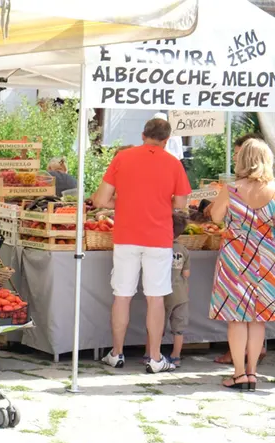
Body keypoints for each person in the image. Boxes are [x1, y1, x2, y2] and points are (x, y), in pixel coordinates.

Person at [94, 117, 191, 373]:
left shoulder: (123, 158)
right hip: (158, 238)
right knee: (155, 298)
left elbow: (101, 199)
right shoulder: (173, 164)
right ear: (166, 140)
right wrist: (159, 203)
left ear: (142, 135)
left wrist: (124, 202)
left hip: (126, 236)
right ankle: (156, 358)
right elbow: (182, 205)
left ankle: (116, 353)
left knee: (122, 296)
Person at [208, 138, 275, 391]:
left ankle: (238, 375)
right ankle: (253, 373)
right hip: (267, 258)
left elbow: (215, 216)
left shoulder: (232, 188)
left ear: (244, 160)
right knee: (258, 320)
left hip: (235, 257)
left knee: (237, 318)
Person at [161, 211, 190, 368]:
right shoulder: (183, 250)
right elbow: (186, 273)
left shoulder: (160, 248)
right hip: (181, 295)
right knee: (178, 329)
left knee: (157, 326)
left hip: (163, 293)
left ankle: (150, 354)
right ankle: (176, 356)